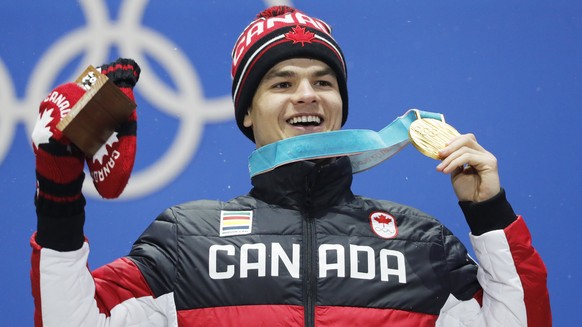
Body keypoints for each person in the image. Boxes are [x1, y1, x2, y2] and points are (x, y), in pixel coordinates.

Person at [30, 5, 551, 327]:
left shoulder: (423, 244)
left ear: (342, 104)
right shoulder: (185, 241)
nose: (308, 95)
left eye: (323, 82)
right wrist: (59, 193)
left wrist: (491, 215)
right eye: (282, 83)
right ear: (247, 114)